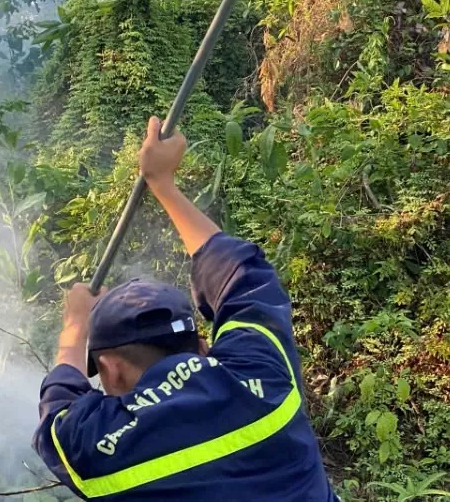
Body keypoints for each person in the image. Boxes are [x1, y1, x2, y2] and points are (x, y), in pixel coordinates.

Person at [32, 116, 339, 501]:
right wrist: (164, 185)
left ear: (111, 371)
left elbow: (57, 414)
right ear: (203, 346)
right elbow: (243, 274)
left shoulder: (101, 451)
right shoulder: (264, 370)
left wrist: (75, 324)